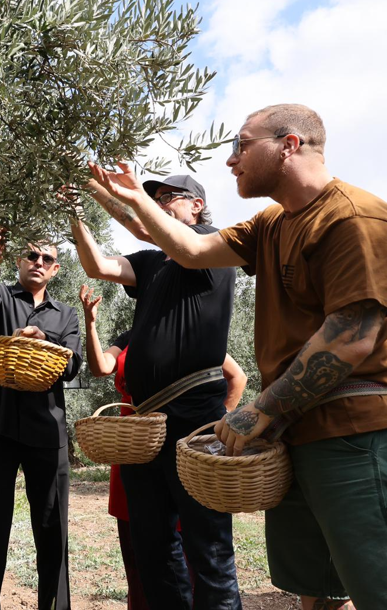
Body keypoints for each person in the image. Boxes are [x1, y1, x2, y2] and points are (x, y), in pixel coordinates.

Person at [88, 103, 387, 610]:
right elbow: (190, 250)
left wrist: (259, 410)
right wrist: (134, 197)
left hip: (351, 436)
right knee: (317, 588)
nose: (231, 160)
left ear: (289, 145)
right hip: (296, 435)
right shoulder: (271, 223)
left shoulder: (352, 218)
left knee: (374, 585)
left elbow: (351, 336)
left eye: (242, 145)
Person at [69, 175, 242, 610]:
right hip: (144, 427)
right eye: (156, 198)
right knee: (153, 545)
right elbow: (98, 266)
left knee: (207, 546)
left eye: (171, 197)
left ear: (197, 206)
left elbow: (146, 226)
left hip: (194, 412)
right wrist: (75, 214)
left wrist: (98, 188)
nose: (161, 203)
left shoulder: (212, 245)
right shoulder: (149, 264)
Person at [81, 285, 247, 610]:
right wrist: (90, 323)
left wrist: (217, 426)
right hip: (136, 449)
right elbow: (102, 367)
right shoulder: (128, 337)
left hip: (185, 447)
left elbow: (236, 377)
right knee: (145, 549)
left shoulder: (190, 331)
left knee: (196, 546)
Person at [0, 234, 83, 610]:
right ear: (18, 260)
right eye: (31, 255)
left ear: (56, 268)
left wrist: (42, 339)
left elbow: (72, 365)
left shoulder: (65, 314)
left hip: (47, 431)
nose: (38, 261)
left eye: (47, 258)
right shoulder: (0, 296)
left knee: (52, 529)